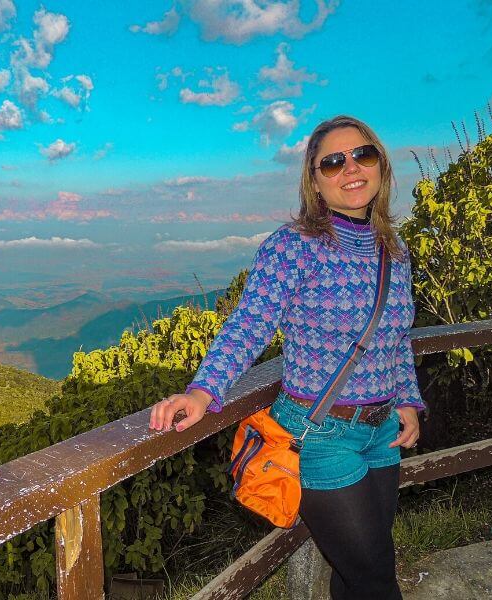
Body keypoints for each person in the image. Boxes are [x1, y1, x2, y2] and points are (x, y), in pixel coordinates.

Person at [149, 115, 426, 600]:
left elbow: (396, 337)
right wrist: (202, 391)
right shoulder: (294, 247)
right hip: (320, 435)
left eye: (363, 155)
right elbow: (249, 324)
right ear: (315, 183)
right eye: (333, 163)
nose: (351, 169)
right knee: (376, 579)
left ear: (381, 166)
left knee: (359, 571)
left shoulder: (393, 249)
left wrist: (407, 398)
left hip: (382, 432)